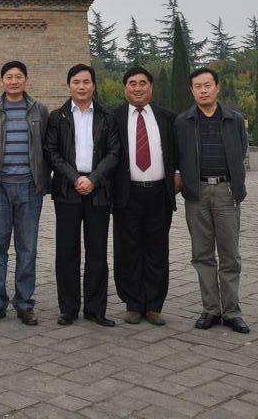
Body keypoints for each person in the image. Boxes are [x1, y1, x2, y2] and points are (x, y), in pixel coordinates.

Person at [175, 67, 250, 334]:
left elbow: (241, 150)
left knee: (230, 255)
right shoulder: (183, 121)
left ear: (217, 87)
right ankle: (210, 309)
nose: (203, 90)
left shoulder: (234, 119)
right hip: (197, 193)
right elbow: (178, 155)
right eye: (198, 86)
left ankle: (232, 312)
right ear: (192, 91)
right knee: (202, 254)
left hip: (226, 191)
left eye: (208, 85)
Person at [45, 63, 119, 327]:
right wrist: (75, 178)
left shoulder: (108, 116)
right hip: (68, 190)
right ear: (69, 86)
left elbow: (114, 152)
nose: (81, 86)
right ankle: (68, 308)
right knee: (67, 251)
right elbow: (52, 152)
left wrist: (93, 179)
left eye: (86, 82)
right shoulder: (58, 117)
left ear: (93, 85)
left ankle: (95, 309)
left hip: (99, 190)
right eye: (76, 82)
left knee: (97, 252)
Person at [0, 60, 49, 326]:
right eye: (9, 77)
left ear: (26, 80)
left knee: (27, 248)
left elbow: (47, 148)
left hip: (30, 186)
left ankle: (24, 303)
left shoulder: (39, 110)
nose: (14, 81)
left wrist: (44, 181)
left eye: (19, 76)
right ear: (1, 81)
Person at [112, 66, 179, 326]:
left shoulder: (167, 117)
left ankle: (153, 305)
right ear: (125, 88)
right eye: (132, 83)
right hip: (127, 193)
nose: (138, 88)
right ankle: (133, 303)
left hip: (159, 193)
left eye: (143, 83)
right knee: (127, 249)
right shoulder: (113, 117)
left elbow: (178, 150)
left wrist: (179, 173)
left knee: (157, 249)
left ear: (151, 87)